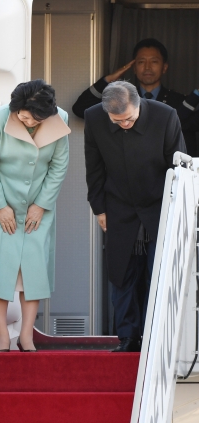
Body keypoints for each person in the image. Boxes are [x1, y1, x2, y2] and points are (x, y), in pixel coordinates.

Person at [0, 79, 70, 352]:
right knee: (0, 269)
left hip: (38, 205)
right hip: (0, 202)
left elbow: (59, 166)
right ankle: (2, 335)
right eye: (24, 116)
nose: (28, 122)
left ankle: (27, 336)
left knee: (33, 272)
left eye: (35, 118)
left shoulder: (60, 119)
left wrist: (42, 204)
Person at [84, 81, 186, 352]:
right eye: (117, 121)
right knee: (121, 275)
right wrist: (99, 208)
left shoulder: (166, 115)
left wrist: (177, 209)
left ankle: (157, 339)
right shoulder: (94, 117)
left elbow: (178, 167)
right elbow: (93, 167)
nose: (124, 124)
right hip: (118, 206)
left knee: (159, 274)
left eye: (129, 118)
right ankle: (128, 337)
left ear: (139, 104)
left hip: (159, 205)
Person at [73, 38, 199, 156]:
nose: (147, 67)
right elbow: (80, 108)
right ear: (134, 67)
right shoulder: (119, 99)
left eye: (154, 61)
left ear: (164, 67)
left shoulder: (181, 102)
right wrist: (108, 79)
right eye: (141, 62)